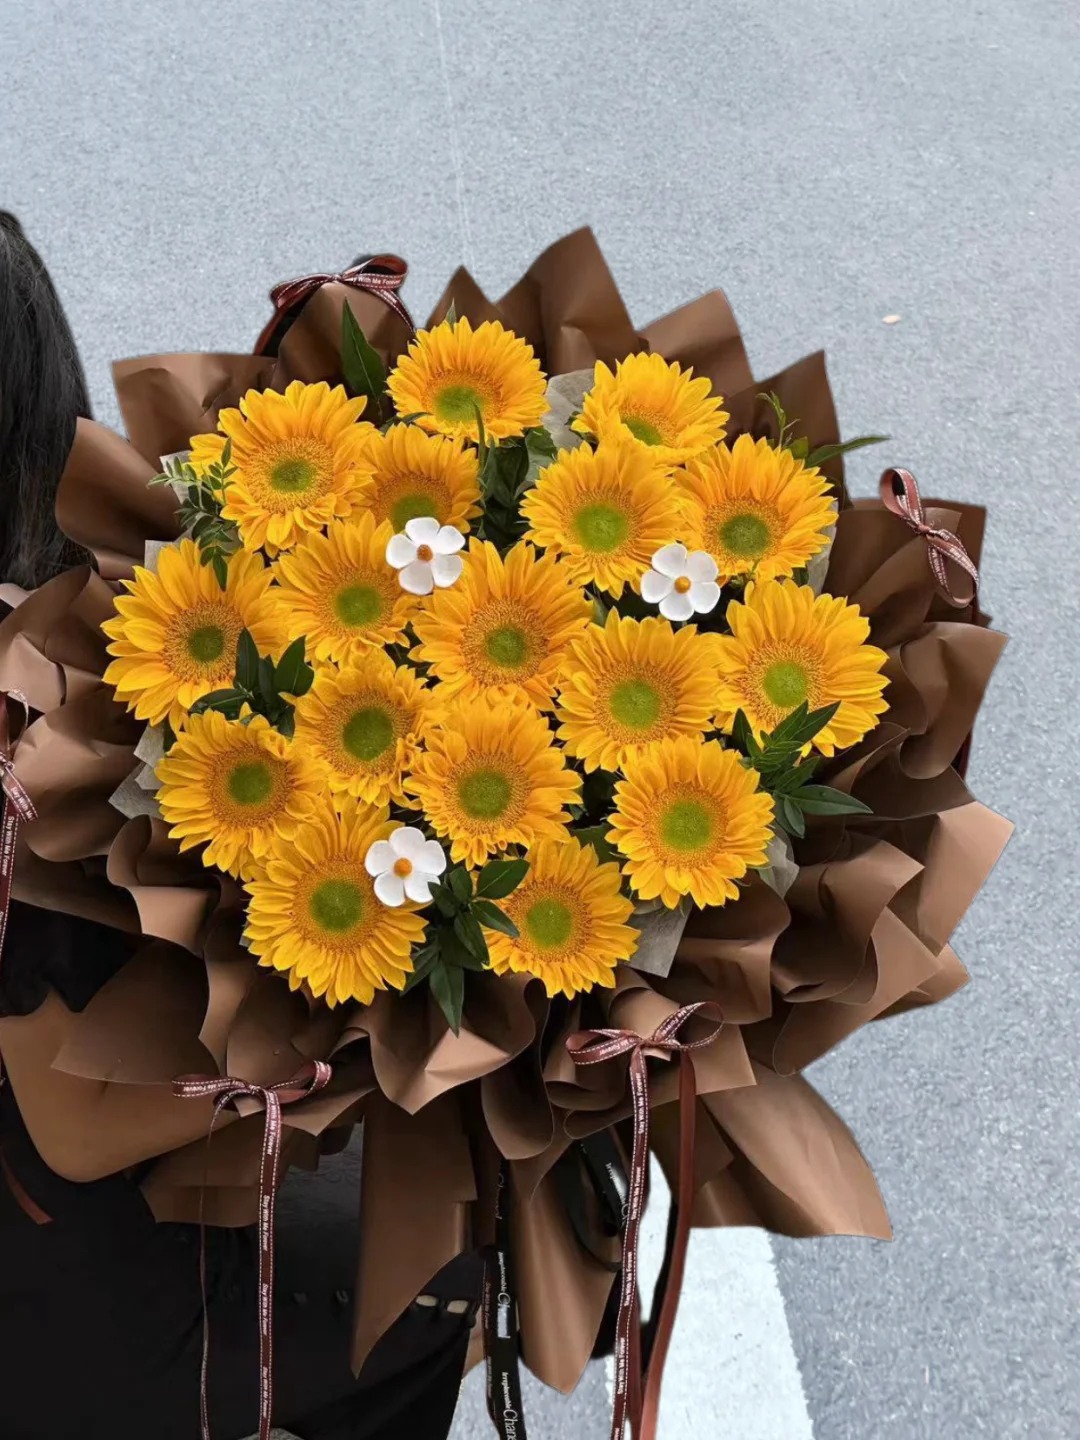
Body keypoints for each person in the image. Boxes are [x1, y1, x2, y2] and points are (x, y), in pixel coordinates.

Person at [0, 211, 480, 1440]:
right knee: (439, 1287)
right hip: (59, 1306)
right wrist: (342, 1050)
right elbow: (84, 1122)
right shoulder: (37, 701)